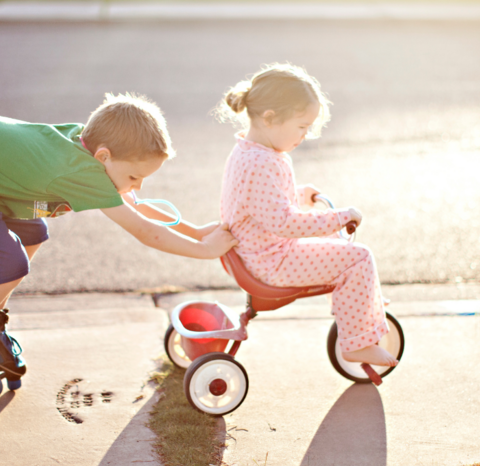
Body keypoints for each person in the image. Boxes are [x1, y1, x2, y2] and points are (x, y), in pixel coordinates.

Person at [0, 93, 238, 386]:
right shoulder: (85, 173)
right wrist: (204, 250)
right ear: (104, 157)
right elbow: (145, 231)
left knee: (33, 233)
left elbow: (136, 204)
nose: (138, 185)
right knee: (12, 262)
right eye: (135, 176)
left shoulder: (87, 146)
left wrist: (198, 232)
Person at [217, 63, 398, 368]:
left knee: (336, 245)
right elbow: (285, 223)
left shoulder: (250, 152)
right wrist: (339, 217)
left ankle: (358, 305)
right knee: (359, 257)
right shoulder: (263, 163)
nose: (306, 135)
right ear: (270, 118)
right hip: (272, 262)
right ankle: (359, 342)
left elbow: (261, 204)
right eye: (301, 127)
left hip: (260, 251)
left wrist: (298, 195)